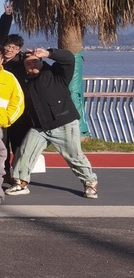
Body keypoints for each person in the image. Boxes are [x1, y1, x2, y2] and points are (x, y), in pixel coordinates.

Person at [7, 48, 99, 199]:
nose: (32, 65)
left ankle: (90, 183)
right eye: (28, 64)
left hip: (63, 123)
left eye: (35, 61)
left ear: (41, 61)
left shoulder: (57, 74)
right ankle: (20, 183)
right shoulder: (25, 81)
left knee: (74, 156)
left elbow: (69, 59)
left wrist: (49, 53)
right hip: (39, 127)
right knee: (24, 152)